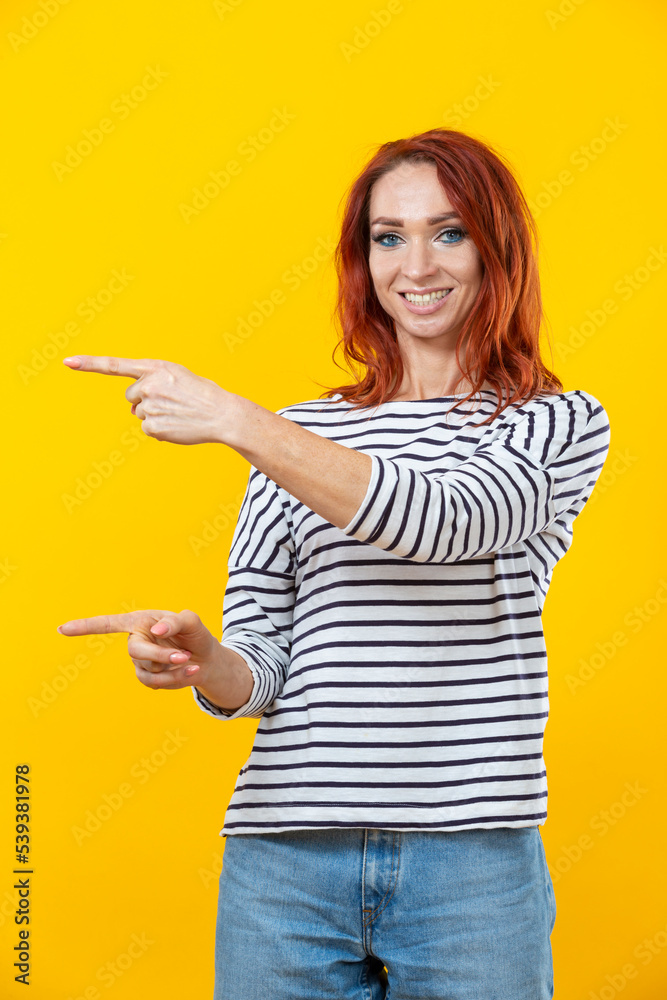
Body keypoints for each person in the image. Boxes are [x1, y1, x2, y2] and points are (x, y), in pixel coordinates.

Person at [57, 127, 611, 999]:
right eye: (387, 236)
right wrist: (208, 661)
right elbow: (262, 667)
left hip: (470, 862)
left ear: (497, 247)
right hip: (284, 861)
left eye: (448, 231)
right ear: (363, 260)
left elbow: (445, 521)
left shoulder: (553, 422)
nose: (415, 264)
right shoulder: (297, 431)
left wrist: (238, 421)